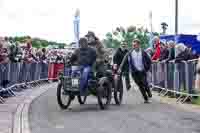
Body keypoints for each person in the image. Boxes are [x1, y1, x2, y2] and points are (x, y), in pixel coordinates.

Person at [119, 39, 152, 103]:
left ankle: (148, 91)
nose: (133, 46)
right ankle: (146, 99)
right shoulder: (130, 52)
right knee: (140, 85)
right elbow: (124, 60)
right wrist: (120, 67)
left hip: (142, 71)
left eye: (135, 45)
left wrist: (147, 68)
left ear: (139, 45)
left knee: (145, 83)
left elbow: (149, 61)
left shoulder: (143, 52)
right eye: (133, 45)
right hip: (134, 72)